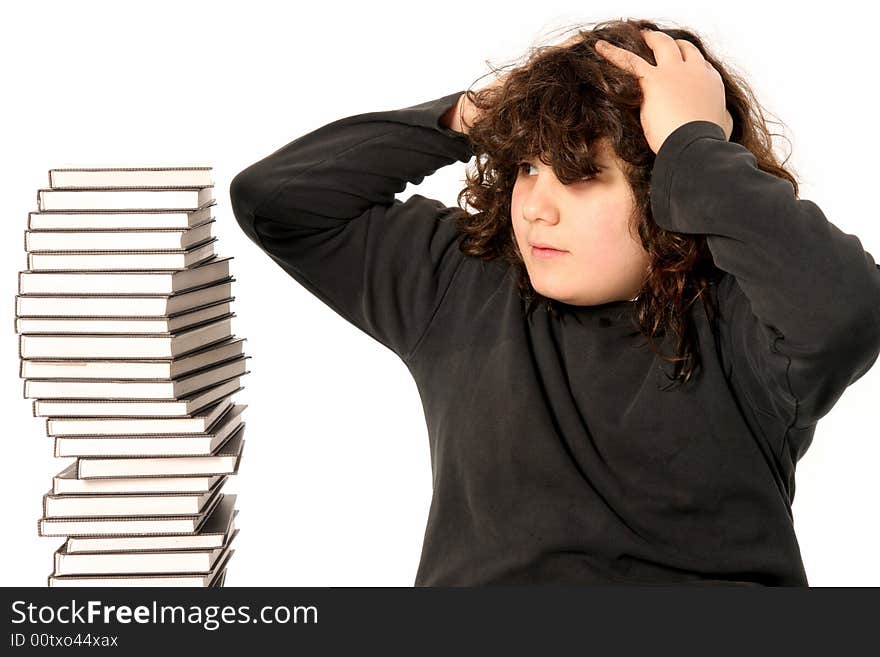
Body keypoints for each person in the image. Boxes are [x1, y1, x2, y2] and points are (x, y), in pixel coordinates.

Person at [229, 18, 880, 585]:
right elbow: (276, 203)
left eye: (581, 175)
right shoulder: (465, 282)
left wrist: (692, 141)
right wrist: (478, 113)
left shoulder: (745, 325)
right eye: (529, 167)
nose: (536, 208)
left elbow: (848, 305)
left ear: (668, 189)